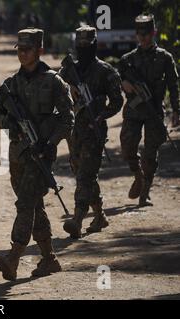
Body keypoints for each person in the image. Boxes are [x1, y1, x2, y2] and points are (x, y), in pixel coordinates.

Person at [0, 28, 74, 279]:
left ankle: (13, 257)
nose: (22, 54)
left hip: (41, 155)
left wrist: (51, 143)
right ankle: (49, 259)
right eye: (20, 50)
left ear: (40, 51)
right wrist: (10, 123)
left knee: (25, 203)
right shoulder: (10, 85)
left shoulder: (54, 81)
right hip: (18, 155)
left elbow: (68, 118)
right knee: (34, 205)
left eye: (28, 50)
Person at [59, 26, 123, 239]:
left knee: (85, 175)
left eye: (87, 45)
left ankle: (77, 219)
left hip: (94, 131)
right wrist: (70, 88)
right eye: (80, 45)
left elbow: (117, 101)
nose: (83, 49)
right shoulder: (69, 71)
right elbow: (55, 90)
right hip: (74, 131)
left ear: (95, 45)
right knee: (82, 172)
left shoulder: (106, 71)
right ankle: (100, 215)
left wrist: (101, 115)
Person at [118, 14, 179, 207]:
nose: (143, 37)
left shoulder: (164, 58)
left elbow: (173, 85)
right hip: (134, 110)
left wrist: (176, 110)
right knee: (127, 148)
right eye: (139, 33)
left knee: (150, 153)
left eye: (147, 33)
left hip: (154, 111)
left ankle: (145, 193)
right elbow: (115, 79)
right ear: (136, 34)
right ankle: (138, 175)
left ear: (154, 33)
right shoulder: (127, 60)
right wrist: (124, 84)